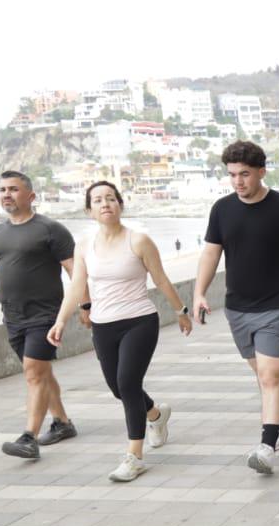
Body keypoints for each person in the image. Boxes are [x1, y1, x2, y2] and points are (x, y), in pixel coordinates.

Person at [47, 181, 192, 483]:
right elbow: (76, 286)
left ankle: (134, 456)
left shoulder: (138, 241)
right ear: (89, 210)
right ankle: (154, 414)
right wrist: (61, 321)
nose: (105, 204)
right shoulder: (85, 245)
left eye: (111, 199)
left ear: (120, 205)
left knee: (128, 382)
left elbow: (161, 279)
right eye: (98, 200)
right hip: (103, 325)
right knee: (118, 388)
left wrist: (181, 312)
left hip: (139, 321)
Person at [193, 141, 279, 476]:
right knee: (263, 375)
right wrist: (199, 293)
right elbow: (210, 253)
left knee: (271, 375)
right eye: (233, 175)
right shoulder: (222, 210)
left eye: (245, 174)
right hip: (237, 309)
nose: (238, 181)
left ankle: (266, 447)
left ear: (261, 172)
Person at [0, 170, 80, 459]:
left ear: (31, 196)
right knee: (40, 372)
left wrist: (87, 306)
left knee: (32, 372)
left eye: (13, 189)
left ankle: (29, 437)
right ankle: (63, 423)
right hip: (13, 317)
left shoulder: (51, 229)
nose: (6, 194)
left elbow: (75, 271)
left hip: (46, 315)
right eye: (2, 190)